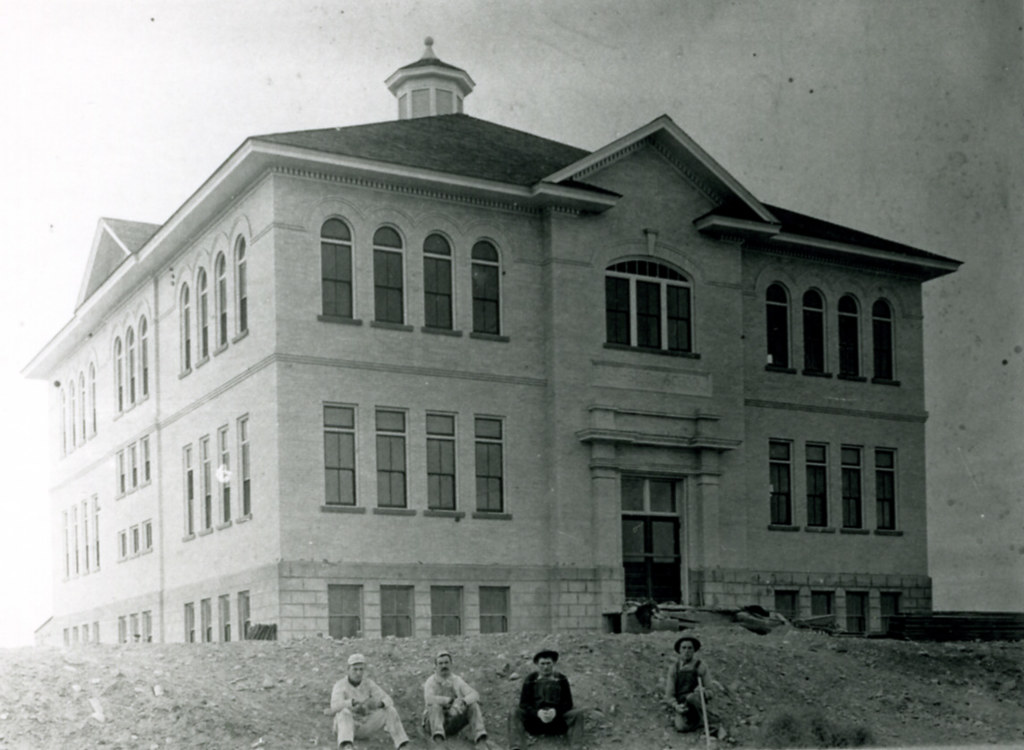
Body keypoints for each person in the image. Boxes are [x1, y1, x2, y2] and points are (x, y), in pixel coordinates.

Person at [328, 653, 410, 750]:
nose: (358, 673)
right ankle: (347, 745)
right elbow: (333, 707)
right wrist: (351, 703)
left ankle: (401, 745)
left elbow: (388, 700)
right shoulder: (340, 685)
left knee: (390, 710)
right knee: (344, 712)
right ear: (348, 669)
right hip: (348, 726)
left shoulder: (368, 683)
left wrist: (378, 704)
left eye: (361, 669)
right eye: (355, 669)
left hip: (365, 723)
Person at [508, 648, 585, 750]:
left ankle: (576, 747)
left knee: (578, 713)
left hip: (557, 722)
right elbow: (524, 704)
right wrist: (537, 713)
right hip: (535, 723)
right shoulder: (530, 679)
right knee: (514, 712)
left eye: (548, 663)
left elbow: (568, 703)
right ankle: (516, 747)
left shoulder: (561, 679)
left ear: (553, 663)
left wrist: (556, 711)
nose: (545, 667)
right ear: (537, 664)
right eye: (542, 664)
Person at [422, 649, 493, 748]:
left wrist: (463, 702)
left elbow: (474, 694)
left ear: (451, 664)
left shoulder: (457, 680)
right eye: (440, 663)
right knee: (434, 706)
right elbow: (429, 699)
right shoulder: (431, 681)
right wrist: (449, 701)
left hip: (450, 722)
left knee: (473, 705)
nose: (444, 666)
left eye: (446, 663)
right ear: (436, 666)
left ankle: (480, 740)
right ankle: (439, 743)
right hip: (433, 723)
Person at [663, 635, 726, 739]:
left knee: (692, 697)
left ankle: (713, 723)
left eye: (690, 648)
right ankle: (700, 722)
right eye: (683, 648)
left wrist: (704, 691)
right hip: (683, 705)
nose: (686, 651)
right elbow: (669, 695)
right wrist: (676, 706)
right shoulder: (674, 668)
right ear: (679, 650)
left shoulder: (701, 666)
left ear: (694, 650)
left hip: (697, 702)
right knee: (681, 727)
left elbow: (711, 691)